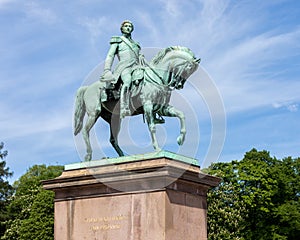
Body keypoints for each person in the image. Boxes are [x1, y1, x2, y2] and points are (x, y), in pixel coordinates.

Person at [101, 20, 142, 118]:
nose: (128, 28)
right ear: (122, 28)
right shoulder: (118, 40)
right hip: (125, 67)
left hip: (137, 67)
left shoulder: (136, 44)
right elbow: (110, 55)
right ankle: (124, 107)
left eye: (130, 26)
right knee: (127, 81)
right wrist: (107, 69)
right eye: (126, 26)